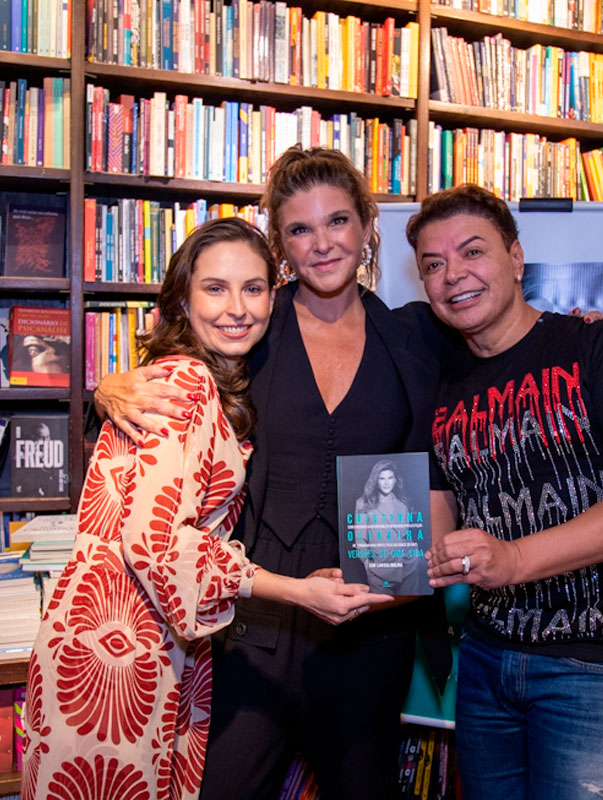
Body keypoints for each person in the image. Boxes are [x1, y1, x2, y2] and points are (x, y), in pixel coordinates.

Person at [92, 147, 452, 800]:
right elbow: (168, 375)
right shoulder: (251, 323)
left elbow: (472, 399)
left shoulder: (416, 338)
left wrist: (393, 591)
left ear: (367, 224)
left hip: (371, 631)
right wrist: (107, 389)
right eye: (300, 229)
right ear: (280, 245)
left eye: (338, 221)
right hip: (248, 626)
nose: (323, 244)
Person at [21, 217, 390, 800]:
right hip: (120, 654)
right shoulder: (188, 382)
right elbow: (157, 546)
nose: (237, 308)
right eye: (215, 288)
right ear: (182, 300)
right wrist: (297, 591)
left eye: (253, 288)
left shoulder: (204, 379)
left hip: (137, 641)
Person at [405, 184, 603, 800]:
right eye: (433, 264)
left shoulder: (597, 346)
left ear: (516, 258)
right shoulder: (442, 386)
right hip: (485, 659)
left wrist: (515, 559)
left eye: (472, 252)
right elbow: (438, 537)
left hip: (593, 664)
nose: (453, 275)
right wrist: (363, 566)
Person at [354, 458, 430, 595]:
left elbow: (407, 535)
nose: (386, 483)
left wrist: (415, 557)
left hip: (408, 567)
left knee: (411, 607)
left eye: (390, 478)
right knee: (382, 608)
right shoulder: (363, 503)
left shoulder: (403, 503)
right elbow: (360, 540)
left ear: (395, 480)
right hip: (379, 571)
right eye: (382, 478)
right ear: (375, 481)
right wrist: (367, 564)